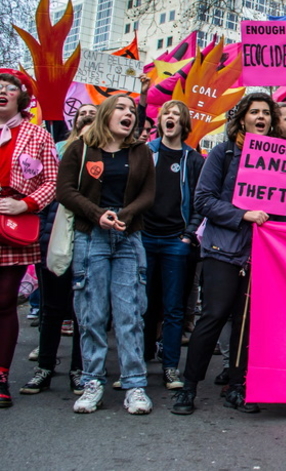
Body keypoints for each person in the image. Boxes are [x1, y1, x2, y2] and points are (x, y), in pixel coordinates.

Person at [172, 93, 281, 416]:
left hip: (258, 251)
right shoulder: (223, 153)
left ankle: (238, 387)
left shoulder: (280, 157)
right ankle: (188, 388)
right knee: (214, 315)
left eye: (266, 113)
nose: (260, 117)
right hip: (222, 248)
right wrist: (242, 214)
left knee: (245, 322)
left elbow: (285, 205)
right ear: (242, 118)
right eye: (254, 112)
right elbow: (203, 199)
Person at [56, 94, 156, 414]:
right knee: (92, 314)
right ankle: (92, 382)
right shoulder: (81, 148)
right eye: (121, 108)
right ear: (105, 114)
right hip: (92, 238)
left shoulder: (140, 152)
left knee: (129, 315)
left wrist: (123, 215)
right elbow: (66, 191)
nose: (129, 114)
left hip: (128, 238)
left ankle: (135, 385)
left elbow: (149, 194)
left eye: (132, 110)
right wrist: (97, 214)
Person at [20, 102, 95, 399]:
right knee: (52, 308)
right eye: (83, 114)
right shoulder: (56, 153)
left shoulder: (105, 159)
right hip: (53, 237)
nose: (87, 118)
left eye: (94, 115)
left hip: (88, 240)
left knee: (82, 311)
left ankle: (79, 369)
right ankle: (45, 367)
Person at [0, 70, 59, 408]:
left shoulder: (37, 134)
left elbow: (51, 183)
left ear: (20, 97)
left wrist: (24, 203)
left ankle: (1, 375)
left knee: (5, 301)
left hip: (13, 224)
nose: (3, 92)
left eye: (9, 88)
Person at [141, 100, 205, 392]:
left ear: (184, 123)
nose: (171, 118)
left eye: (177, 114)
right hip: (144, 237)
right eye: (166, 113)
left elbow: (199, 201)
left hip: (176, 241)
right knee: (143, 305)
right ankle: (140, 361)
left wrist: (188, 235)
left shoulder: (193, 159)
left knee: (174, 307)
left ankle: (170, 366)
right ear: (160, 121)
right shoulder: (146, 153)